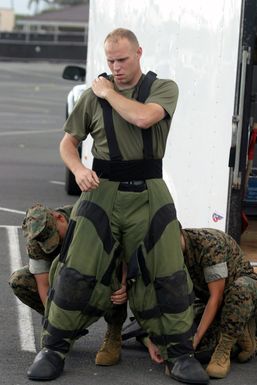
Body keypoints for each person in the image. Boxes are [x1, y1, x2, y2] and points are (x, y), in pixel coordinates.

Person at [27, 28, 209, 384]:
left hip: (149, 190)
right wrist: (79, 168)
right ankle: (54, 347)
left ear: (139, 53)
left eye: (122, 59)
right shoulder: (91, 97)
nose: (116, 67)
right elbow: (68, 142)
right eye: (110, 61)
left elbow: (144, 118)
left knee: (167, 273)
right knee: (76, 270)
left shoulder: (162, 88)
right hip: (102, 189)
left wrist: (108, 92)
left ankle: (180, 353)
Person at [126, 227, 257, 379]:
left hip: (243, 296)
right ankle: (241, 333)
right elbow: (160, 299)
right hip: (207, 302)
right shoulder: (166, 257)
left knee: (240, 289)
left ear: (178, 235)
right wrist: (153, 340)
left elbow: (217, 297)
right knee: (185, 344)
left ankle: (225, 347)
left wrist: (196, 338)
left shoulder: (209, 245)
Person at [9, 202, 127, 365]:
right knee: (19, 280)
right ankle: (67, 327)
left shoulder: (87, 218)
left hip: (100, 269)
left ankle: (114, 334)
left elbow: (123, 249)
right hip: (64, 277)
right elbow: (43, 284)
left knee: (115, 282)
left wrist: (124, 284)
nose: (54, 243)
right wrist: (55, 324)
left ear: (59, 218)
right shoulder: (36, 239)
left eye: (55, 235)